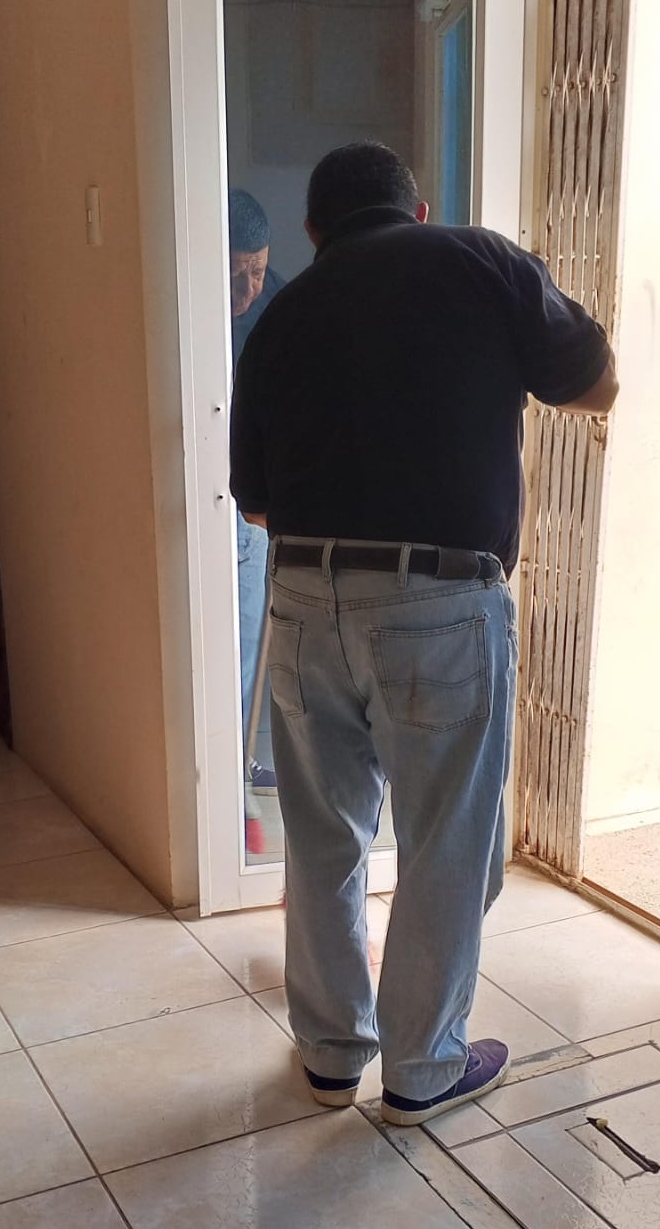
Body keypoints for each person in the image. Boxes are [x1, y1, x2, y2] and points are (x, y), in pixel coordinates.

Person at [230, 143, 617, 1126]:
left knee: (322, 836)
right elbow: (594, 382)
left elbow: (257, 503)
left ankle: (329, 1056)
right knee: (447, 840)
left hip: (303, 598)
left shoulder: (282, 317)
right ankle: (423, 1067)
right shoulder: (480, 261)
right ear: (419, 209)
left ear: (312, 232)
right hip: (438, 600)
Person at [228, 189, 286, 798]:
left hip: (250, 504)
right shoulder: (195, 304)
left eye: (258, 270)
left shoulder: (282, 306)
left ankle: (237, 763)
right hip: (200, 489)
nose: (248, 288)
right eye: (236, 272)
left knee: (248, 638)